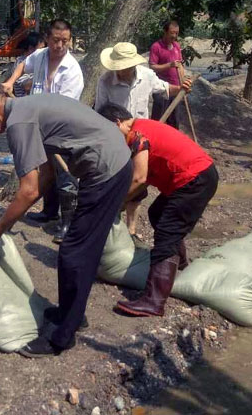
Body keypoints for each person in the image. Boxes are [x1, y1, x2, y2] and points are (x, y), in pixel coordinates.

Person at [0, 85, 133, 357]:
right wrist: (13, 218)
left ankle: (61, 337)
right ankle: (72, 314)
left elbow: (29, 190)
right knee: (79, 251)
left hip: (107, 171)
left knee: (75, 253)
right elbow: (44, 174)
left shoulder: (19, 123)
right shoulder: (27, 108)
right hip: (113, 162)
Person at [98, 103, 218, 317]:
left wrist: (115, 205)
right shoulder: (141, 129)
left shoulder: (137, 135)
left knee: (167, 232)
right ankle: (179, 264)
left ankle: (154, 301)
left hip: (194, 179)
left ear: (116, 123)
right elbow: (141, 180)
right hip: (198, 176)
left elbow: (140, 178)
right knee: (158, 213)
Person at [94, 41, 193, 236]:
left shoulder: (146, 76)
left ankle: (131, 229)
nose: (121, 71)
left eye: (125, 67)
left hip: (141, 139)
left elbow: (165, 89)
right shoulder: (105, 81)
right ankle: (115, 226)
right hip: (117, 140)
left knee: (139, 184)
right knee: (117, 181)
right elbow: (100, 113)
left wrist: (181, 88)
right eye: (119, 68)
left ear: (133, 64)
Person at [2, 19, 83, 240]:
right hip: (39, 123)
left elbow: (63, 108)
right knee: (45, 168)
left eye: (65, 41)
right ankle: (49, 213)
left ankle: (67, 223)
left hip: (63, 126)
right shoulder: (39, 56)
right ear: (47, 38)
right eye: (56, 40)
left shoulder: (72, 70)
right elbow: (22, 65)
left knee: (65, 173)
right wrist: (11, 82)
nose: (60, 45)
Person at [149, 20, 184, 128]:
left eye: (177, 33)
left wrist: (183, 83)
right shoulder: (156, 47)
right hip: (161, 89)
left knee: (174, 121)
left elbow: (180, 65)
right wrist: (169, 65)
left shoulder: (177, 46)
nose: (174, 36)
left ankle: (172, 143)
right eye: (172, 33)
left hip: (176, 88)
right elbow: (152, 67)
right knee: (159, 119)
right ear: (165, 32)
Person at [11, 31, 44, 97]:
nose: (43, 52)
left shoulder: (38, 61)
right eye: (40, 49)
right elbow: (27, 87)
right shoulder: (20, 63)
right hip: (25, 103)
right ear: (31, 48)